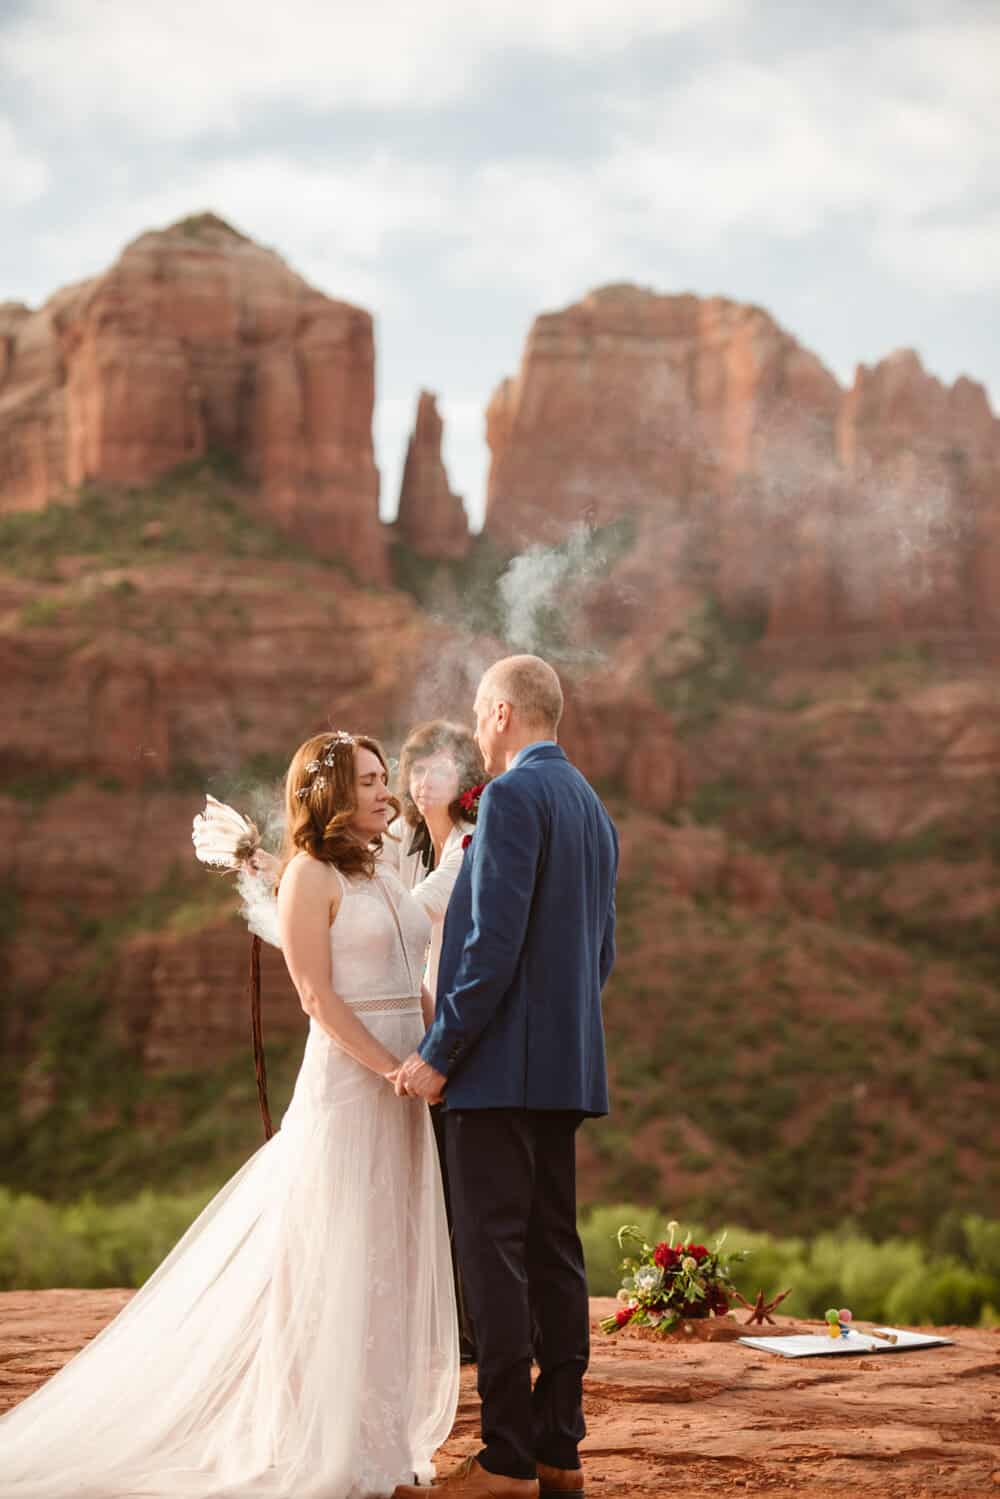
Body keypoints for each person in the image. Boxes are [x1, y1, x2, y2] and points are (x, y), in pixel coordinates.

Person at [0, 730, 459, 1499]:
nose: (388, 792)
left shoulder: (380, 868)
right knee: (337, 1256)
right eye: (372, 781)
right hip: (354, 1089)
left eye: (386, 779)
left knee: (387, 1259)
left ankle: (380, 1441)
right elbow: (315, 995)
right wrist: (391, 1070)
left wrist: (437, 1050)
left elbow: (409, 979)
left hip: (408, 1086)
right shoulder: (310, 875)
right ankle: (325, 1443)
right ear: (332, 794)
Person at [393, 655, 619, 1499]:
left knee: (492, 1258)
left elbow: (489, 943)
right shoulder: (593, 808)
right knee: (556, 1250)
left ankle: (506, 1458)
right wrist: (555, 1035)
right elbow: (601, 952)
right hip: (563, 1069)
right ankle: (561, 1447)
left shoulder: (514, 798)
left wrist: (441, 1050)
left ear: (497, 713)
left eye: (479, 715)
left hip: (495, 1076)